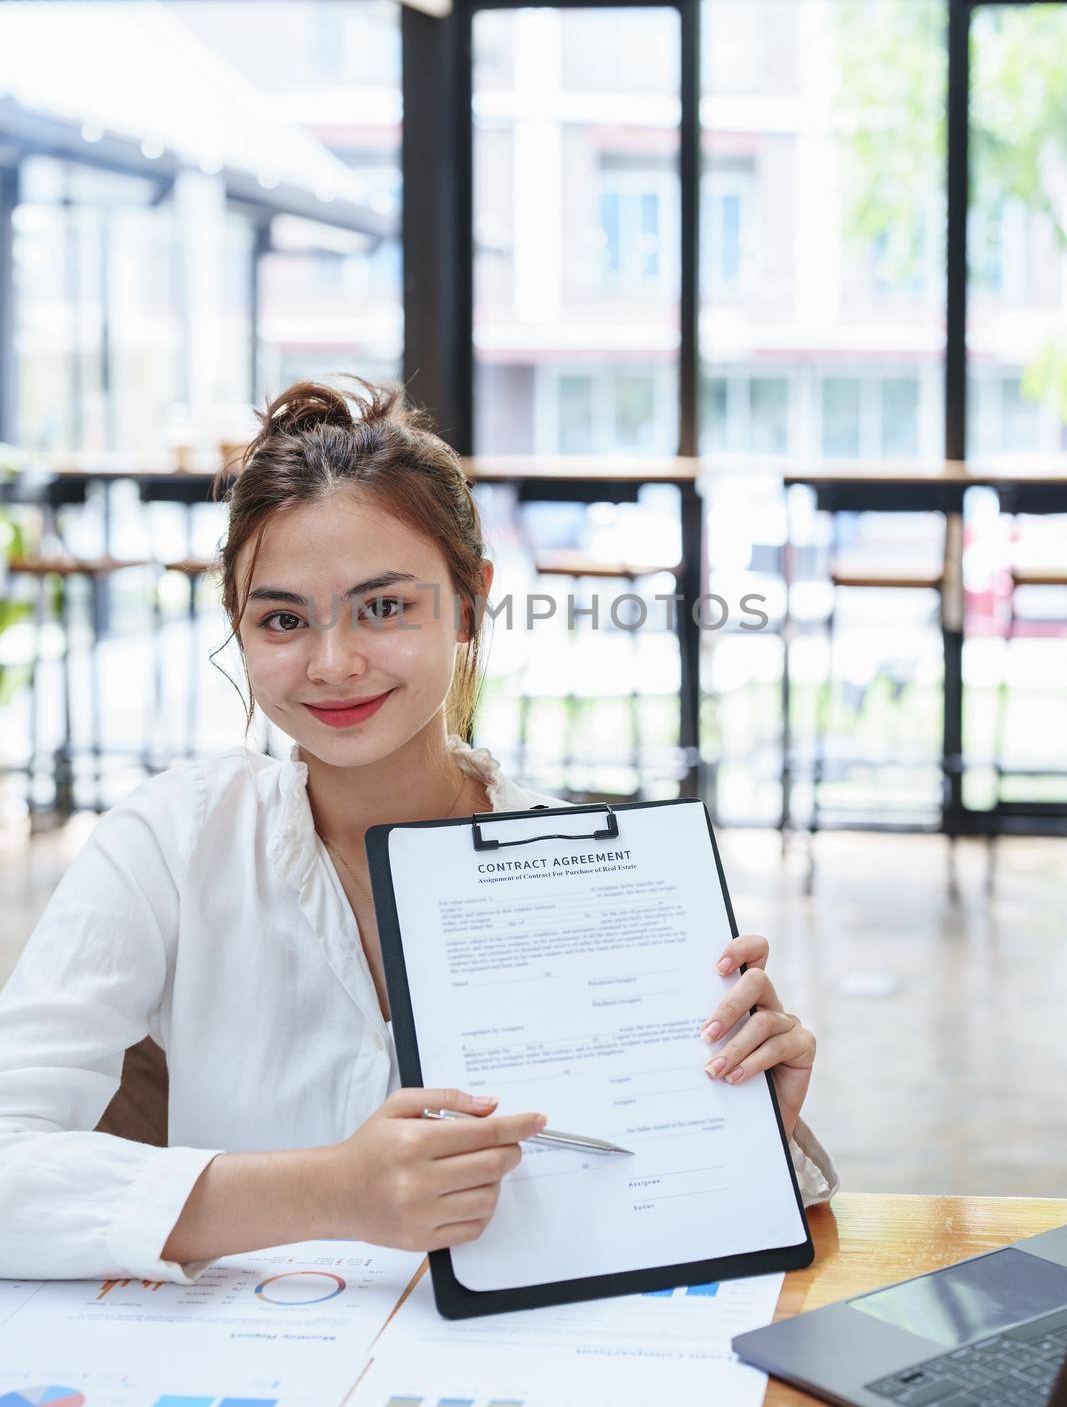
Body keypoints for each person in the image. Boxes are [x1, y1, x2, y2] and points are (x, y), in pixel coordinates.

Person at [0, 378, 837, 1283]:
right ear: (238, 630)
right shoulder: (171, 844)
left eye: (384, 607)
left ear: (470, 601)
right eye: (283, 619)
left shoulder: (594, 873)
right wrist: (330, 1192)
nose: (333, 663)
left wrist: (743, 1123)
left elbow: (658, 1207)